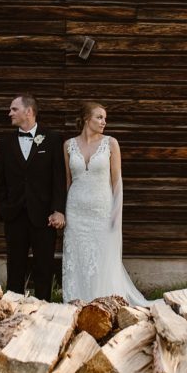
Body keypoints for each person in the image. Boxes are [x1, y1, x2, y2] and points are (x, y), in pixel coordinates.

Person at [61, 101, 147, 304]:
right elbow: (67, 181)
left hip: (102, 210)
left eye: (105, 118)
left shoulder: (111, 143)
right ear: (86, 118)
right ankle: (76, 302)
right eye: (99, 117)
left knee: (102, 258)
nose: (103, 122)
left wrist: (117, 210)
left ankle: (103, 303)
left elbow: (117, 181)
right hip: (76, 210)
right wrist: (62, 210)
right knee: (78, 257)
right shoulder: (68, 145)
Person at [0, 94, 66, 300]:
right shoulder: (6, 143)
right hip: (14, 214)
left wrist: (58, 209)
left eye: (13, 109)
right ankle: (13, 309)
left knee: (43, 266)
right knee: (15, 265)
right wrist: (3, 208)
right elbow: (0, 180)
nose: (10, 113)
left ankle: (43, 309)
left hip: (43, 216)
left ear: (29, 111)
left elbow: (58, 178)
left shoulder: (52, 139)